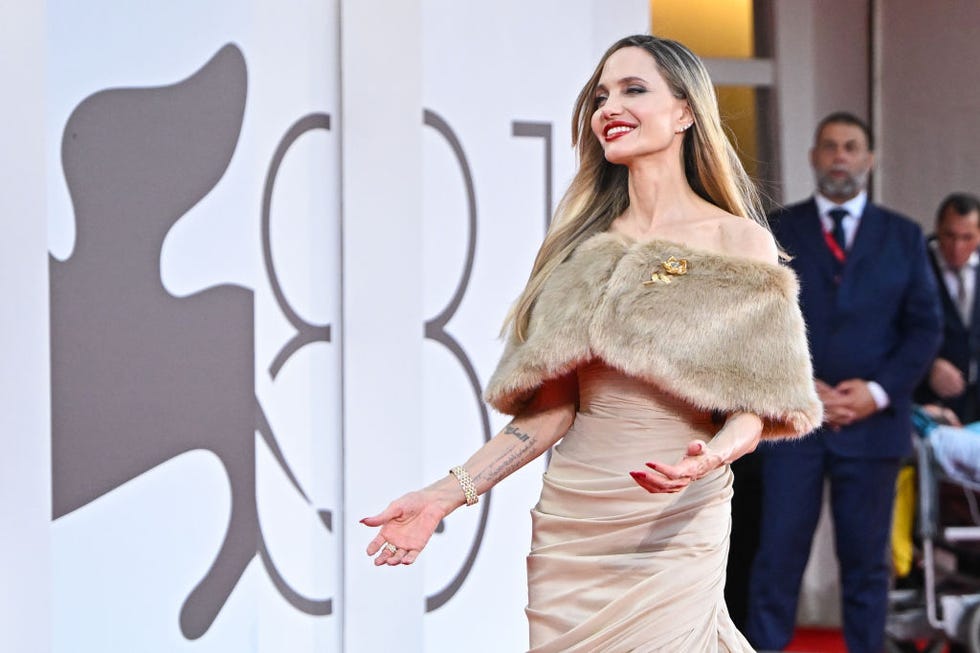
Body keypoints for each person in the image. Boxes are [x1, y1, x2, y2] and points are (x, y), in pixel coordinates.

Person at [361, 34, 822, 652]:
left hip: (676, 520)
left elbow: (758, 405)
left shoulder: (738, 242)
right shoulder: (578, 251)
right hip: (574, 527)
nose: (609, 107)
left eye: (634, 90)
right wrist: (443, 498)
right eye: (601, 95)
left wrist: (711, 458)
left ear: (686, 111)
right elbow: (550, 411)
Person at [745, 112, 943, 653]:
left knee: (865, 566)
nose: (840, 157)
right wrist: (804, 389)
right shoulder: (777, 229)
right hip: (793, 425)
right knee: (777, 558)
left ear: (869, 160)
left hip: (873, 427)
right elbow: (758, 321)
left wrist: (877, 392)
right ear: (813, 156)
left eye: (851, 147)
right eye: (830, 146)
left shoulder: (902, 236)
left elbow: (925, 328)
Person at [916, 192, 980, 423]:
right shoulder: (916, 263)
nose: (957, 247)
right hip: (931, 401)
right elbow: (892, 327)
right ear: (938, 228)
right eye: (950, 236)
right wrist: (928, 365)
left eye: (967, 237)